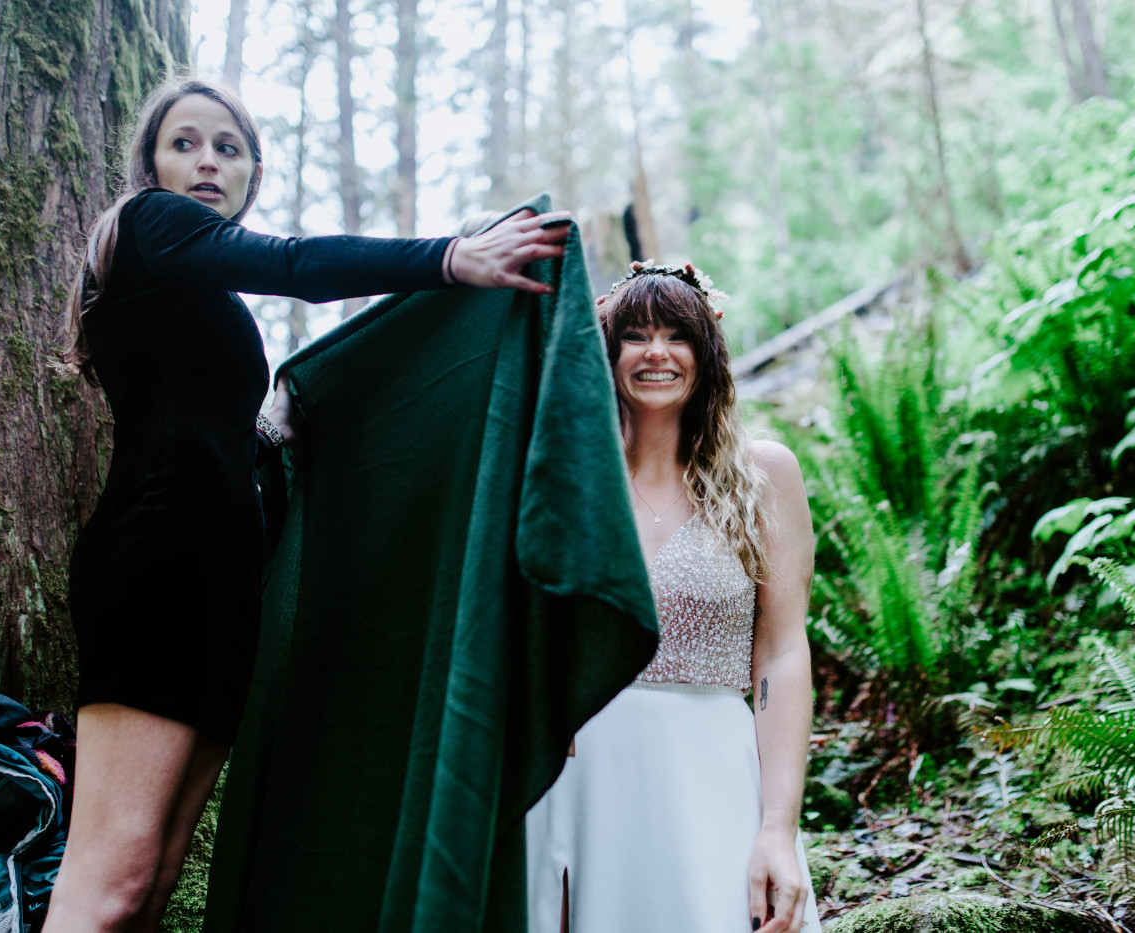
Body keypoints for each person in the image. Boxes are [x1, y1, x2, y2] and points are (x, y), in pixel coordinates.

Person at [44, 76, 570, 933]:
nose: (208, 160)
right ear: (151, 164)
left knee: (153, 881)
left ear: (252, 169)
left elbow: (197, 426)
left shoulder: (198, 293)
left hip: (218, 580)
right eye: (185, 142)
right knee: (109, 882)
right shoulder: (150, 223)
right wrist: (448, 258)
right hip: (157, 567)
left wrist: (267, 431)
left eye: (229, 146)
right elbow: (292, 264)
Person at [525, 262, 822, 932]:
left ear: (707, 353)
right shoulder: (562, 479)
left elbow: (781, 651)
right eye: (634, 334)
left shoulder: (765, 474)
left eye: (675, 334)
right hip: (574, 778)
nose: (656, 351)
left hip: (711, 777)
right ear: (606, 355)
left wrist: (778, 826)